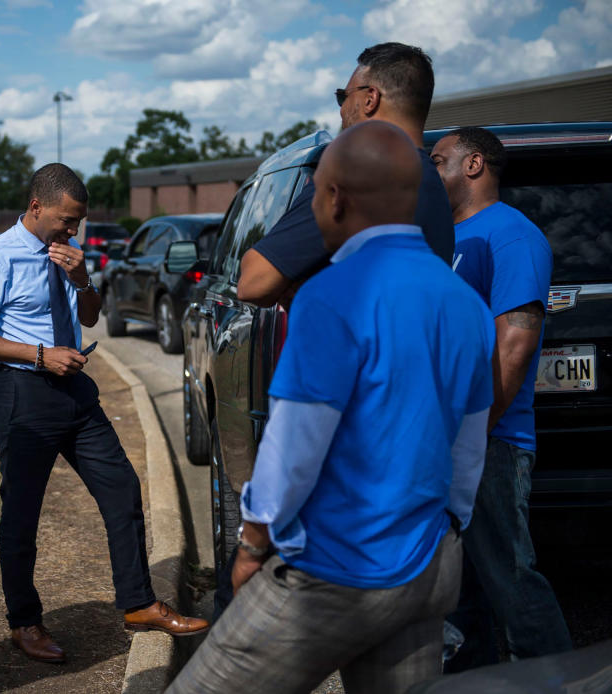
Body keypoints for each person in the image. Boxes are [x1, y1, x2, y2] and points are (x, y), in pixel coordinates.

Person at [166, 121, 496, 694]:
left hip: (339, 567)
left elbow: (295, 445)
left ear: (336, 198)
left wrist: (250, 545)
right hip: (429, 564)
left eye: (316, 192)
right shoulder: (466, 304)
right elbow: (469, 442)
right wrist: (448, 529)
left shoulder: (331, 294)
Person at [0, 163, 208, 664]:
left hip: (75, 392)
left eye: (80, 221)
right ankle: (23, 622)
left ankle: (139, 605)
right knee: (22, 514)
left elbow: (89, 317)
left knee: (122, 488)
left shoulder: (68, 256)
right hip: (24, 394)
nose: (75, 230)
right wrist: (41, 355)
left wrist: (82, 278)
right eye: (68, 220)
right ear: (36, 207)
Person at [431, 127, 572, 670]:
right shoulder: (445, 236)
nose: (430, 170)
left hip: (489, 440)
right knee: (455, 586)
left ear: (473, 166)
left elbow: (515, 339)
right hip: (447, 438)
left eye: (439, 160)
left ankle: (560, 679)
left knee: (509, 578)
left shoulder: (511, 235)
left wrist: (476, 430)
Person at [237, 42, 454, 308]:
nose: (341, 110)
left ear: (370, 98)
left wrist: (301, 285)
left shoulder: (356, 176)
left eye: (343, 97)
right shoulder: (435, 184)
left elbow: (253, 283)